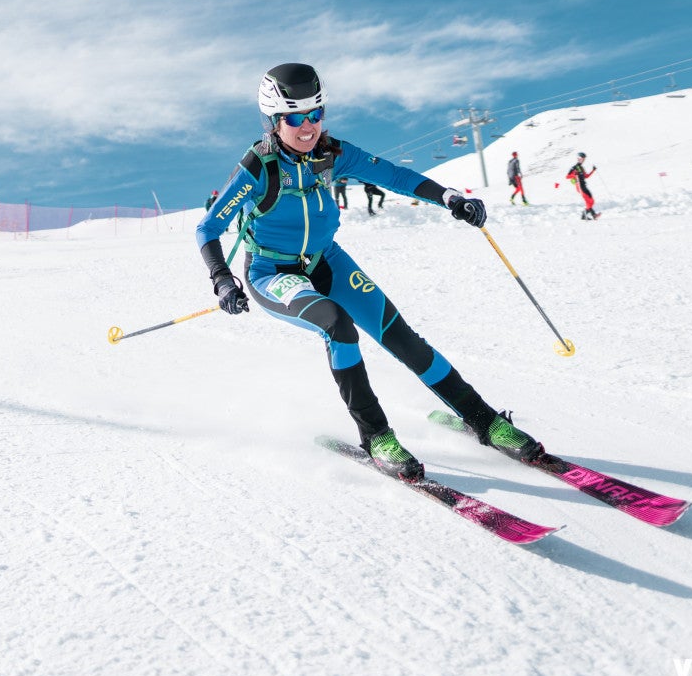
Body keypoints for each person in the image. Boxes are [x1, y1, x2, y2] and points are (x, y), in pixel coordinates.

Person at [197, 63, 543, 481]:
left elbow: (394, 175)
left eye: (315, 114)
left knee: (403, 339)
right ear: (274, 120)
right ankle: (376, 436)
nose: (308, 127)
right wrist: (221, 279)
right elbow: (208, 227)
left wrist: (448, 196)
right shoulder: (258, 168)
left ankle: (483, 420)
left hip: (327, 261)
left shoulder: (332, 153)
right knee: (338, 325)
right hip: (273, 271)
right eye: (295, 118)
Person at [566, 152, 598, 220]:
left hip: (584, 185)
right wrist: (574, 174)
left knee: (592, 201)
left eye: (584, 159)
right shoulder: (574, 167)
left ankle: (584, 215)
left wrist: (593, 170)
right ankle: (593, 215)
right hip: (579, 186)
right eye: (582, 158)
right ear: (578, 158)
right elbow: (567, 176)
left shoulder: (581, 168)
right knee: (587, 201)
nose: (583, 160)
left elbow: (586, 176)